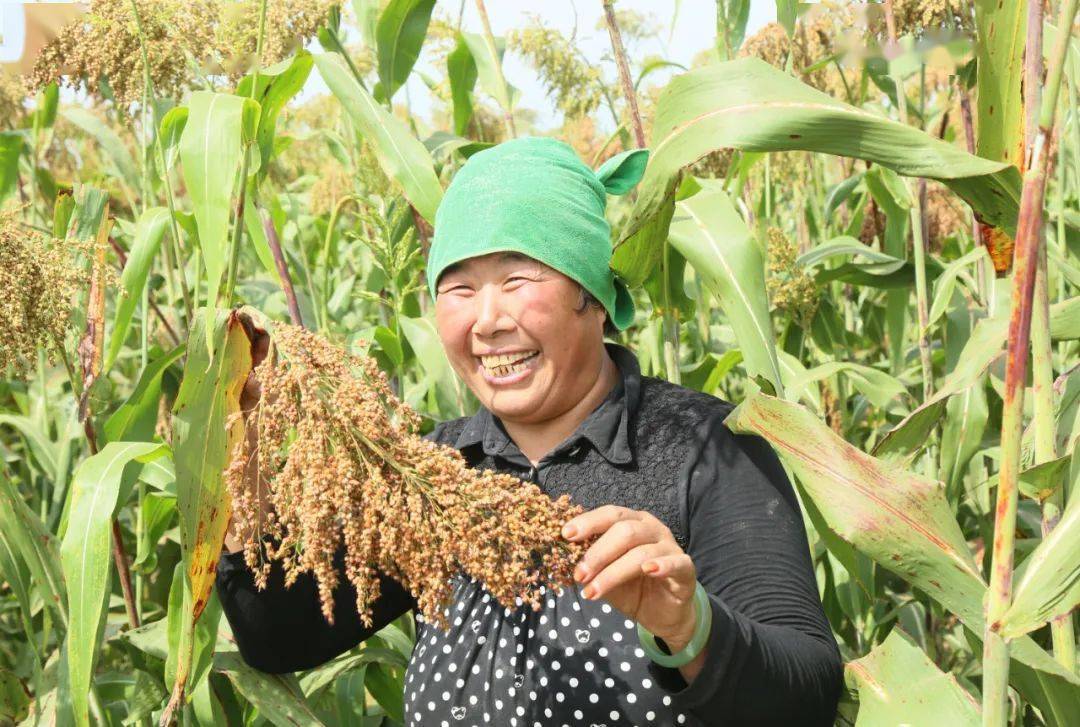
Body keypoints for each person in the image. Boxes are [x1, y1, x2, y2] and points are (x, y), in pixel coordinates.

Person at [216, 136, 843, 725]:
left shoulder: (703, 447)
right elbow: (277, 637)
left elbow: (809, 692)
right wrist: (245, 445)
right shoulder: (433, 472)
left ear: (592, 297)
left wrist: (692, 626)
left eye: (518, 280)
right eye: (459, 288)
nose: (487, 321)